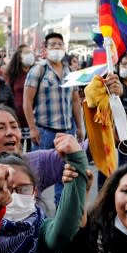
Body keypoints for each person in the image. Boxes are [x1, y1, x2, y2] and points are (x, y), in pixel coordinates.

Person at [23, 32, 83, 204]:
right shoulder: (38, 70)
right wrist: (32, 128)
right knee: (35, 177)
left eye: (60, 44)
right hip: (43, 131)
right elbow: (27, 101)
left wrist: (79, 127)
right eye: (53, 45)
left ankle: (60, 217)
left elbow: (75, 101)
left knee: (64, 178)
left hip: (66, 132)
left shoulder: (70, 72)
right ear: (45, 49)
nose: (57, 48)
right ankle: (31, 214)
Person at [96, 52, 127, 190]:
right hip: (110, 132)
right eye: (124, 63)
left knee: (125, 169)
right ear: (118, 66)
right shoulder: (111, 83)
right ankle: (104, 198)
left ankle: (120, 196)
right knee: (107, 168)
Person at [6, 44, 36, 152]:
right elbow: (8, 95)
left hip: (33, 119)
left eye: (31, 53)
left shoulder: (36, 72)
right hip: (17, 117)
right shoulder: (13, 73)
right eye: (26, 53)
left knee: (32, 151)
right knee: (17, 149)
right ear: (19, 56)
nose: (30, 55)